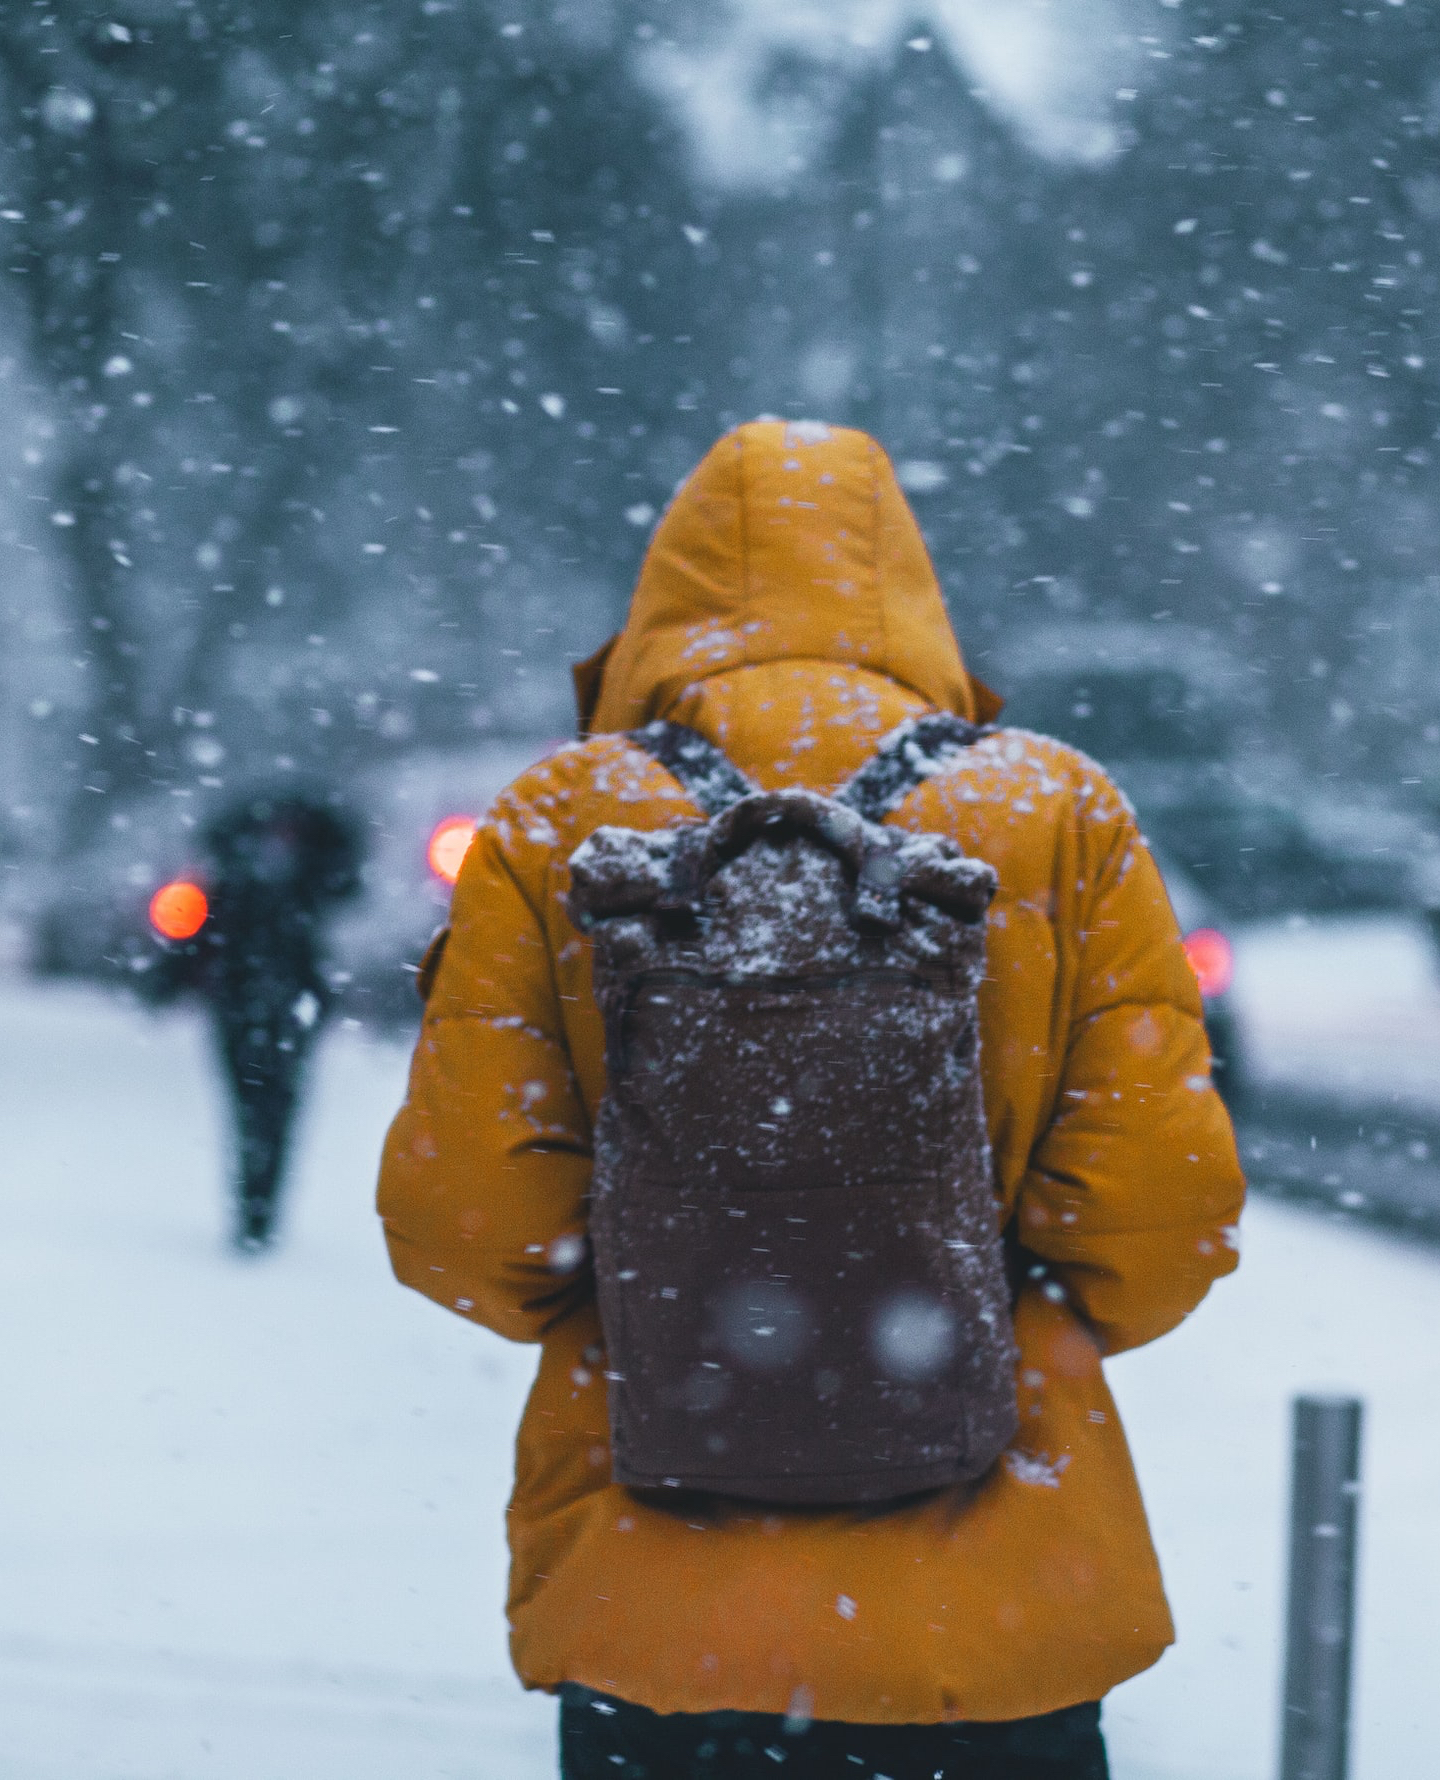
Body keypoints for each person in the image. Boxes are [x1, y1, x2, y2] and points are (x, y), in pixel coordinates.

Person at [377, 419, 1247, 1778]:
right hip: (995, 1623)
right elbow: (1159, 1218)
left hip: (654, 1625)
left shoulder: (559, 824)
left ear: (662, 601)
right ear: (908, 591)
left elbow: (463, 1225)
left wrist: (667, 1299)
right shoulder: (1054, 812)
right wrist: (968, 1312)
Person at [144, 790, 361, 1251]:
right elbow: (196, 933)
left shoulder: (298, 876)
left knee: (271, 1109)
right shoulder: (251, 878)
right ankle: (254, 1208)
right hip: (252, 1004)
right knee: (255, 1108)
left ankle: (259, 1209)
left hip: (272, 1006)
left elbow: (196, 933)